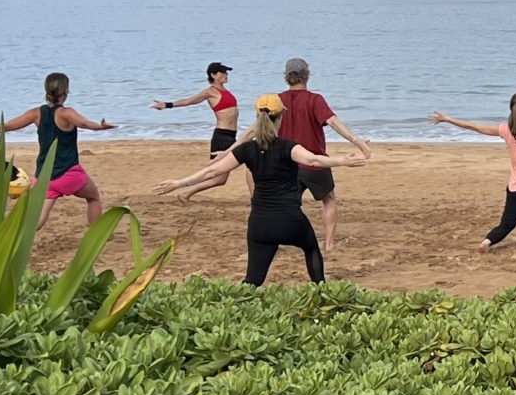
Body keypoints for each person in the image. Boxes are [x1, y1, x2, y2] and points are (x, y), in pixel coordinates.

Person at [153, 94, 370, 284]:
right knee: (311, 248)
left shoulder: (247, 149)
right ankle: (320, 289)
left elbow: (212, 171)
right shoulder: (288, 147)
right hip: (290, 221)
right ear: (281, 117)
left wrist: (180, 183)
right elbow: (313, 160)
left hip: (259, 225)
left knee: (253, 280)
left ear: (258, 117)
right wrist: (343, 161)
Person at [0, 71, 115, 227]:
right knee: (93, 198)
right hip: (69, 174)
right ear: (66, 92)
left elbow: (6, 126)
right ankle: (96, 235)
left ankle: (13, 237)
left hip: (44, 177)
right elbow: (85, 123)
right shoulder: (67, 113)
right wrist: (100, 127)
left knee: (36, 221)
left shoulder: (36, 113)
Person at [431, 94, 516, 249]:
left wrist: (447, 119)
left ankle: (487, 241)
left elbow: (474, 126)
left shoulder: (505, 129)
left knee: (507, 224)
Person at [277, 57, 373, 254]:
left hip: (287, 163)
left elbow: (259, 130)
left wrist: (232, 151)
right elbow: (333, 122)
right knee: (329, 200)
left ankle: (281, 241)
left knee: (284, 203)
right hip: (315, 162)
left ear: (286, 77)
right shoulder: (314, 99)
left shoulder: (278, 100)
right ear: (307, 75)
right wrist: (355, 140)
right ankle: (329, 244)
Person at [153, 61, 239, 153]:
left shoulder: (227, 91)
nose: (226, 74)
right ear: (213, 75)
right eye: (223, 72)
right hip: (222, 135)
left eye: (226, 72)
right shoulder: (210, 92)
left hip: (232, 134)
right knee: (219, 162)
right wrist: (167, 104)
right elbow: (189, 101)